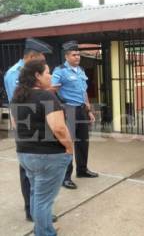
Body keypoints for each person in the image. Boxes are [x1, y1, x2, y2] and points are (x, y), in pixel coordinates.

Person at [11, 59, 73, 236]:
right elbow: (59, 128)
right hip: (49, 155)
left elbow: (16, 125)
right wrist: (69, 148)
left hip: (25, 154)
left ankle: (42, 229)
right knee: (44, 200)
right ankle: (45, 233)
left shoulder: (18, 96)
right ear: (37, 76)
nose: (51, 76)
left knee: (36, 193)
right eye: (47, 73)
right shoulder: (47, 97)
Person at [3, 38, 56, 222]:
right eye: (41, 60)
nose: (43, 64)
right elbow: (17, 105)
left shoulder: (28, 72)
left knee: (38, 173)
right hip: (26, 128)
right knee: (28, 173)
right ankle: (31, 211)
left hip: (37, 126)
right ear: (31, 57)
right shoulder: (14, 74)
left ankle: (38, 209)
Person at [51, 40, 98, 189]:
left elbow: (83, 91)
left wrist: (89, 110)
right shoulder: (60, 71)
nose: (77, 57)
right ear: (66, 56)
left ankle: (82, 170)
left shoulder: (81, 71)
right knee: (68, 144)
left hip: (82, 109)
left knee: (83, 142)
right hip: (69, 110)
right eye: (74, 55)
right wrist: (60, 108)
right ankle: (65, 177)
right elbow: (53, 90)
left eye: (78, 55)